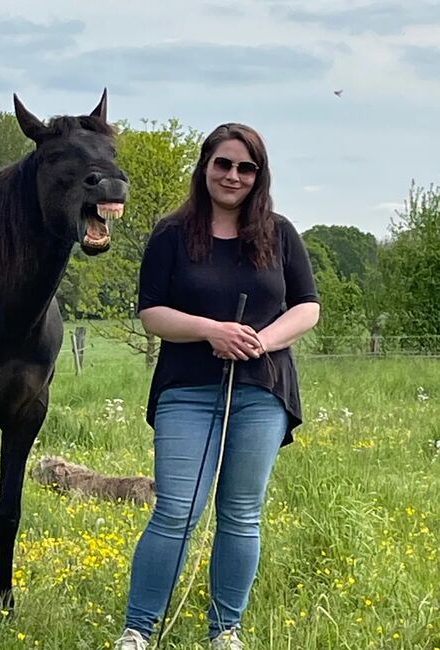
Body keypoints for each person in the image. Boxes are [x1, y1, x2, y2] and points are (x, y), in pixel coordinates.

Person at [113, 123, 320, 650]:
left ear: (259, 175)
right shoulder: (170, 234)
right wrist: (212, 331)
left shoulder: (281, 233)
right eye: (223, 164)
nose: (233, 176)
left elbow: (307, 307)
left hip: (262, 391)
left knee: (242, 514)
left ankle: (225, 631)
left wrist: (262, 341)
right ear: (205, 167)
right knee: (176, 511)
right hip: (187, 390)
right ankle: (138, 631)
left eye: (245, 167)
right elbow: (152, 313)